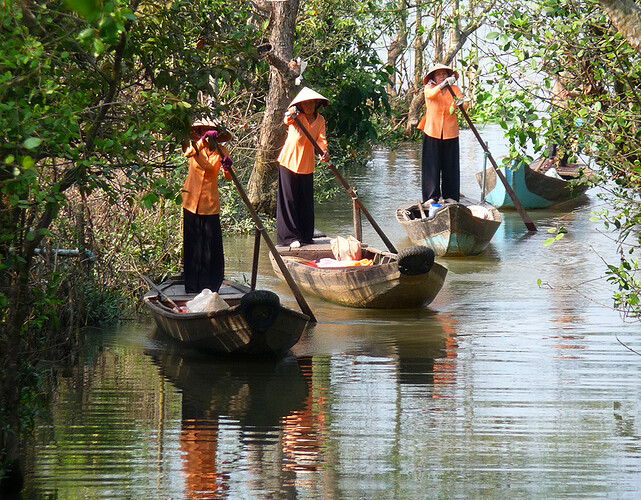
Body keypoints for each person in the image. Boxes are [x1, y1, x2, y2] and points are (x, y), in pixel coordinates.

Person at [181, 118, 233, 293]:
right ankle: (192, 285)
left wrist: (227, 168)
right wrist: (202, 142)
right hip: (191, 201)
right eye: (205, 130)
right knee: (192, 244)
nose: (209, 134)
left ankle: (210, 285)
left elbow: (228, 178)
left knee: (211, 245)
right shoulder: (195, 146)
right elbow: (187, 154)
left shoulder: (221, 150)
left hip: (210, 203)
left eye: (212, 131)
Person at [276, 87, 330, 248]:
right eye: (305, 103)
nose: (309, 106)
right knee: (289, 200)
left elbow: (321, 140)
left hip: (306, 164)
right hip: (289, 161)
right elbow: (287, 119)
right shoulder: (295, 116)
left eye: (312, 103)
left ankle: (306, 235)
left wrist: (324, 152)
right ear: (300, 105)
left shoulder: (320, 120)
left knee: (305, 201)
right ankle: (289, 238)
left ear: (317, 104)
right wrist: (290, 112)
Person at [417, 63, 469, 205]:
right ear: (434, 77)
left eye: (444, 74)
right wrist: (442, 86)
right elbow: (430, 95)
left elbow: (463, 104)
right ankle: (430, 197)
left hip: (450, 132)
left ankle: (450, 196)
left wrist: (462, 102)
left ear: (449, 75)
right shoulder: (430, 88)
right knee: (431, 166)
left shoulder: (454, 89)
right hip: (432, 131)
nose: (442, 77)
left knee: (450, 165)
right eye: (439, 75)